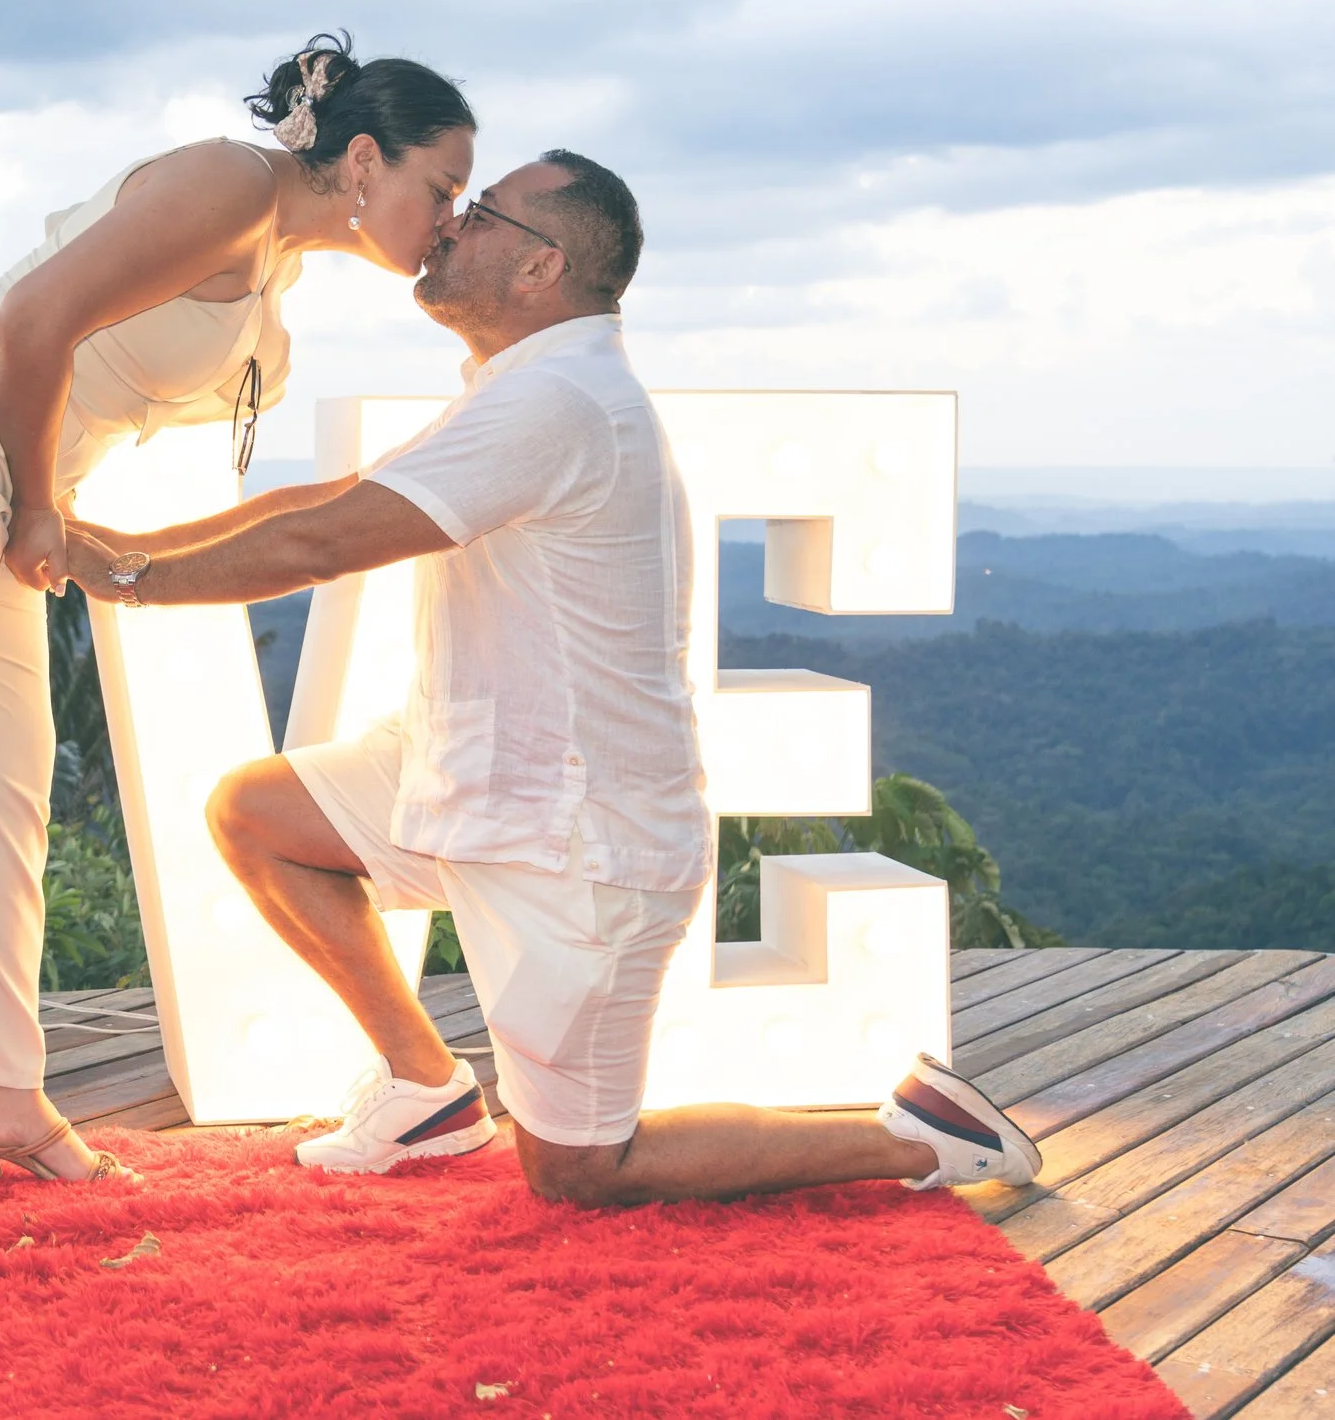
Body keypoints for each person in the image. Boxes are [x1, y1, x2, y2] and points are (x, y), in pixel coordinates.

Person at [65, 150, 1040, 1206]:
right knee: (258, 812)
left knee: (580, 1169)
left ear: (540, 268)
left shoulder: (560, 402)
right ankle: (426, 1086)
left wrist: (118, 578)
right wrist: (112, 543)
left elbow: (321, 546)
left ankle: (920, 1137)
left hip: (580, 840)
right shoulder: (525, 384)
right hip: (474, 776)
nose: (442, 224)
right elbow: (336, 494)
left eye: (474, 212)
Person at [0, 34, 478, 1199]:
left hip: (2, 477)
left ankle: (3, 1099)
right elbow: (30, 321)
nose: (449, 215)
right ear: (365, 159)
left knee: (7, 788)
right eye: (441, 188)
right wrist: (41, 505)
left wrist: (52, 507)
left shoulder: (271, 249)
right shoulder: (228, 185)